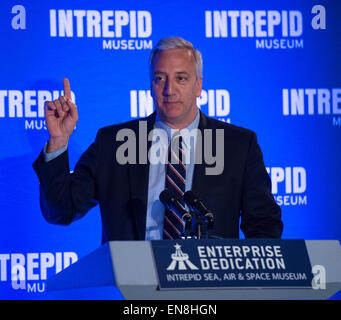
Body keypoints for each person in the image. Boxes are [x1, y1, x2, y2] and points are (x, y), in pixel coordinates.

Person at [33, 37, 283, 243]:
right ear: (150, 86)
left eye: (181, 78)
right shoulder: (114, 142)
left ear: (198, 86)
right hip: (137, 291)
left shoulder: (238, 145)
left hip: (211, 289)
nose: (169, 90)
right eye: (160, 78)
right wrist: (58, 140)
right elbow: (61, 211)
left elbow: (264, 225)